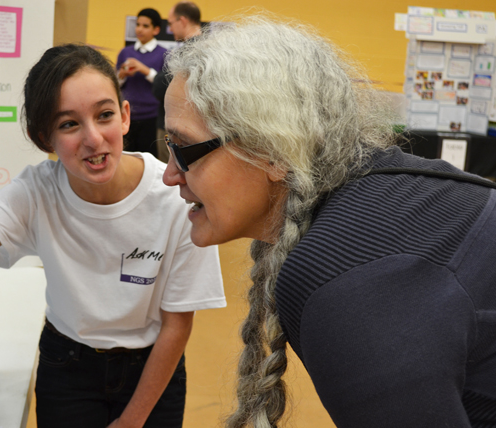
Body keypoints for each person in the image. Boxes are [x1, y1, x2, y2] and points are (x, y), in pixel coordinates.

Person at [161, 15, 496, 428]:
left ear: (273, 151)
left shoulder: (346, 284)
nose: (170, 173)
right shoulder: (395, 187)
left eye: (183, 149)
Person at [0, 44, 226, 428]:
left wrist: (133, 419)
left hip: (152, 368)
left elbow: (176, 326)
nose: (94, 139)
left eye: (105, 115)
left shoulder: (174, 198)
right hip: (66, 367)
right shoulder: (36, 192)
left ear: (126, 116)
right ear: (43, 138)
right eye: (69, 124)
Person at [152, 1, 202, 163]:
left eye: (171, 23)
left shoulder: (185, 53)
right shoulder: (210, 50)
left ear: (183, 21)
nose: (170, 28)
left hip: (175, 126)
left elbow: (159, 88)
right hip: (197, 126)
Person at [116, 8, 168, 159]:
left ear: (156, 29)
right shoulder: (125, 52)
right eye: (138, 25)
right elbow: (116, 83)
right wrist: (122, 74)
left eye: (145, 26)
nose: (139, 29)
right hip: (127, 116)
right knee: (125, 158)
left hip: (152, 118)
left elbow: (164, 84)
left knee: (149, 160)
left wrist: (144, 69)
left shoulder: (164, 54)